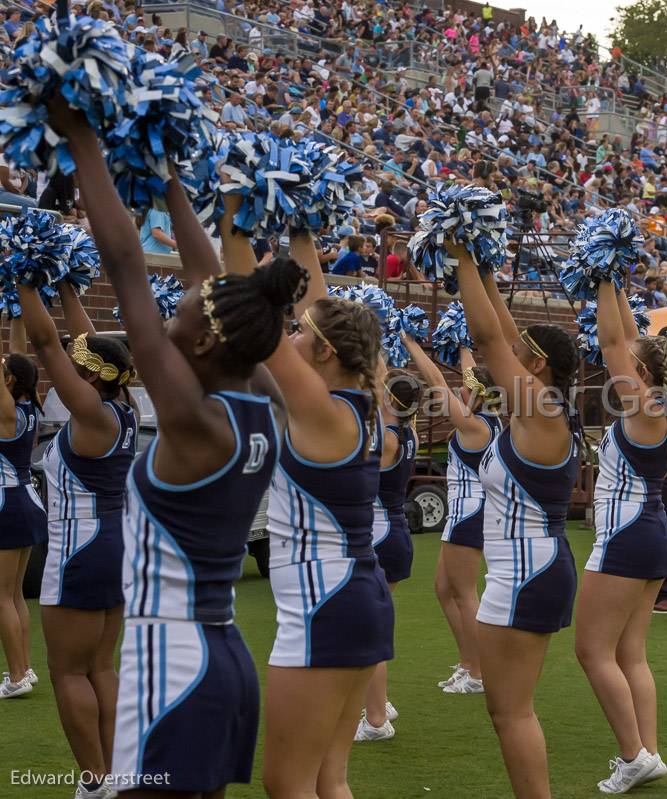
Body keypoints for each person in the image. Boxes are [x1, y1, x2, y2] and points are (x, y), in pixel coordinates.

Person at [51, 101, 302, 795]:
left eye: (179, 314)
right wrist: (164, 175)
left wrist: (83, 143)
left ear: (199, 344)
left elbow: (128, 269)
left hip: (173, 659)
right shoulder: (253, 402)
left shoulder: (196, 422)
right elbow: (208, 275)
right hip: (221, 654)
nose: (169, 312)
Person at [220, 190, 393, 797]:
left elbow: (249, 311)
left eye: (300, 332)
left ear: (322, 351)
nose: (289, 334)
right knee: (326, 782)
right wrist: (300, 227)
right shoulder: (356, 399)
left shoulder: (320, 410)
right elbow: (323, 312)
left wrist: (236, 208)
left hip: (328, 603)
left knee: (287, 784)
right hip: (351, 595)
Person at [450, 234, 582, 799]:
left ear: (539, 365)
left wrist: (458, 259)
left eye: (523, 350)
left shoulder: (542, 410)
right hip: (524, 566)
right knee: (505, 711)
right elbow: (502, 336)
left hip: (528, 571)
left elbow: (487, 338)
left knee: (511, 713)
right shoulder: (538, 407)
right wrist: (482, 266)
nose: (511, 351)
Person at [18, 279, 134, 793]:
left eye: (79, 363)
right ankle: (111, 772)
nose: (72, 361)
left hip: (81, 548)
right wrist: (65, 283)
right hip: (115, 543)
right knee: (99, 667)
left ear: (88, 375)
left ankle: (94, 779)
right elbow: (91, 345)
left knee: (67, 671)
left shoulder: (91, 414)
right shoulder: (120, 405)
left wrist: (25, 279)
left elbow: (48, 346)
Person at [576, 282, 667, 792]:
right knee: (629, 653)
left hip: (627, 535)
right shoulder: (652, 401)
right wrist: (613, 277)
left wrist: (603, 278)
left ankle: (633, 753)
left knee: (593, 651)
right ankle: (646, 753)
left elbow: (617, 345)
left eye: (625, 364)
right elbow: (630, 343)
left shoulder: (645, 405)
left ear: (639, 374)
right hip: (647, 532)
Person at [404, 341, 500, 695]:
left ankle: (479, 672)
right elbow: (468, 376)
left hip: (470, 513)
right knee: (443, 590)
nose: (460, 386)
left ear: (475, 393)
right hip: (463, 513)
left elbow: (437, 384)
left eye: (466, 385)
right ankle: (467, 662)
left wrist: (411, 345)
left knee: (463, 593)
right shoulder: (485, 417)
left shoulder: (475, 425)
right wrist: (460, 342)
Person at [356, 371, 423, 742]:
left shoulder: (389, 438)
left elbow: (361, 476)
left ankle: (377, 719)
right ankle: (378, 702)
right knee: (372, 624)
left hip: (381, 534)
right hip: (392, 532)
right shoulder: (407, 431)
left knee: (368, 630)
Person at [0, 346, 44, 700]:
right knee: (14, 595)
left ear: (10, 380)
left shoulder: (8, 412)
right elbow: (17, 354)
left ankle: (16, 676)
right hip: (27, 500)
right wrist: (13, 309)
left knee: (2, 596)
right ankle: (24, 667)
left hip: (8, 503)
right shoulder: (29, 406)